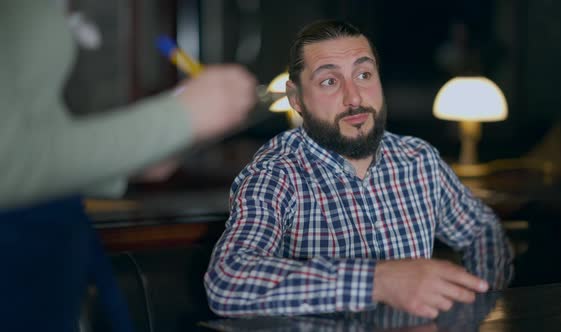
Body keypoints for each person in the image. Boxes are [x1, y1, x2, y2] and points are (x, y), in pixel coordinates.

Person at [204, 20, 513, 319]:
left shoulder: (419, 160)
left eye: (364, 75)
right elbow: (227, 282)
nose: (354, 98)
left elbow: (482, 231)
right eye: (329, 81)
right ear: (296, 98)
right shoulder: (277, 173)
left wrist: (476, 304)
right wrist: (378, 282)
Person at [0, 1, 256, 330]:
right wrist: (177, 118)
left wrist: (145, 154)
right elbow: (10, 162)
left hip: (50, 248)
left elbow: (39, 135)